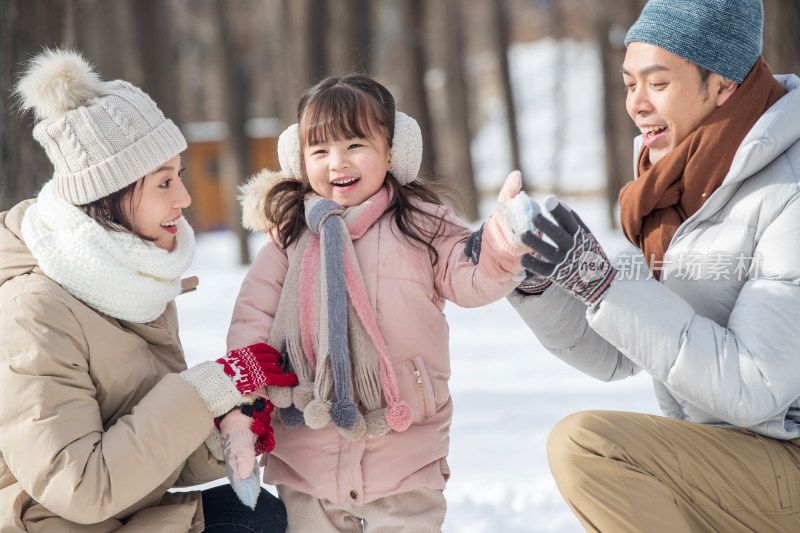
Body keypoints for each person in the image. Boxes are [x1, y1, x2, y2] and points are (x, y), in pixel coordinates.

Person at [505, 0, 800, 530]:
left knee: (588, 447)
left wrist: (603, 285)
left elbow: (755, 386)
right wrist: (538, 276)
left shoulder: (789, 190)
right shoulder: (681, 189)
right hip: (728, 451)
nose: (636, 104)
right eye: (628, 83)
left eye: (657, 84)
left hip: (784, 454)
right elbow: (618, 357)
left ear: (724, 85)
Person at [0, 49, 294, 532]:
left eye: (178, 175)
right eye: (164, 182)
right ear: (107, 196)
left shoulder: (129, 279)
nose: (184, 197)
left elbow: (143, 451)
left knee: (259, 512)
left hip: (122, 513)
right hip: (55, 523)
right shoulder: (34, 311)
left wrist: (222, 434)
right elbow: (82, 488)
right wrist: (200, 393)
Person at [221, 74, 529, 532]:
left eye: (355, 145)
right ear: (300, 160)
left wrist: (502, 241)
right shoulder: (288, 238)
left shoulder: (421, 226)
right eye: (320, 150)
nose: (337, 163)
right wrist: (243, 408)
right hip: (308, 456)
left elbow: (471, 276)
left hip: (403, 455)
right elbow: (252, 322)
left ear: (392, 151)